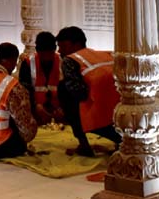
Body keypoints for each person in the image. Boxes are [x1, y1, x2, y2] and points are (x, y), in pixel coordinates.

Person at [55, 26, 122, 156]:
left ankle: (84, 145)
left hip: (97, 118)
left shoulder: (70, 60)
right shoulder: (108, 55)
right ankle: (120, 141)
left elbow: (79, 93)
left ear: (76, 44)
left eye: (63, 46)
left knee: (63, 88)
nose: (60, 51)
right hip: (122, 116)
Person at [17, 31, 63, 124]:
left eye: (49, 54)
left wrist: (63, 107)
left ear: (54, 50)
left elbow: (67, 89)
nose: (46, 58)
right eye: (43, 55)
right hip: (36, 114)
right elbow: (24, 90)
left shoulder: (62, 62)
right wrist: (35, 106)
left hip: (58, 113)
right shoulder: (28, 63)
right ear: (37, 50)